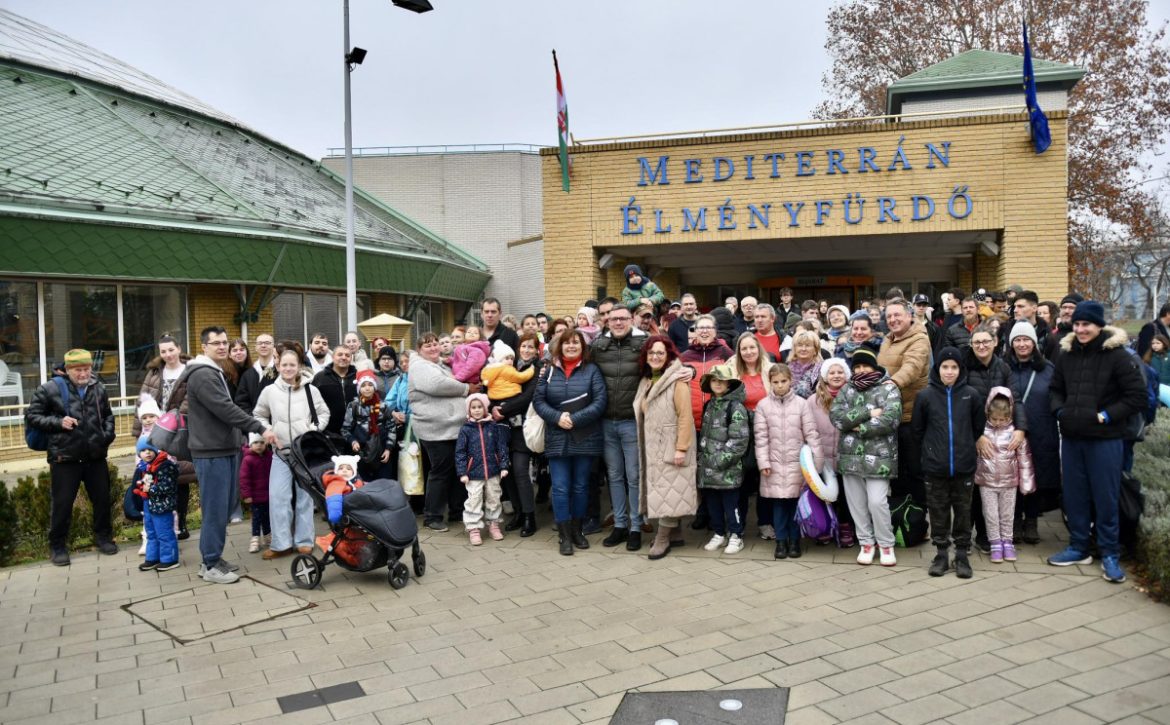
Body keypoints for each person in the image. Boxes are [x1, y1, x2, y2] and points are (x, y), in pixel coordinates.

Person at [1047, 301, 1148, 583]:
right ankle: (1079, 546)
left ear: (1099, 326)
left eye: (1086, 325)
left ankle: (1110, 553)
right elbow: (1055, 389)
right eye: (1077, 324)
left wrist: (1106, 415)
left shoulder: (1118, 356)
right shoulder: (1066, 354)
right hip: (1073, 438)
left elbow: (1137, 396)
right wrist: (1060, 412)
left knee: (1106, 497)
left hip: (1105, 440)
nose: (1080, 329)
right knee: (1074, 495)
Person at [181, 327, 277, 584]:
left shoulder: (214, 371)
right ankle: (210, 564)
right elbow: (225, 409)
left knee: (222, 509)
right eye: (216, 344)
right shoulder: (203, 375)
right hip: (211, 452)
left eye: (224, 342)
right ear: (204, 346)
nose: (222, 347)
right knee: (214, 509)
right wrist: (259, 427)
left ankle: (212, 559)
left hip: (222, 448)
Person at [25, 349, 118, 566]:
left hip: (95, 456)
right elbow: (32, 416)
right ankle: (57, 546)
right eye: (78, 370)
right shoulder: (50, 389)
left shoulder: (99, 387)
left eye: (86, 369)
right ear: (67, 370)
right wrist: (58, 423)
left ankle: (103, 538)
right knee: (63, 505)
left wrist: (106, 436)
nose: (84, 373)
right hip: (65, 458)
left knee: (102, 501)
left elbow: (108, 415)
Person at [912, 347, 984, 579]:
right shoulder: (925, 396)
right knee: (938, 511)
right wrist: (932, 451)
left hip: (963, 466)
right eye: (945, 367)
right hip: (935, 467)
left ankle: (961, 554)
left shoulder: (971, 395)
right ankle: (941, 553)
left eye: (954, 367)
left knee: (963, 511)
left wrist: (964, 449)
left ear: (960, 369)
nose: (949, 372)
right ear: (938, 368)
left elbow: (977, 427)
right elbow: (918, 430)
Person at [534, 329, 607, 556]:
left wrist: (574, 419)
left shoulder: (592, 370)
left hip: (585, 436)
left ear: (583, 347)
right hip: (557, 436)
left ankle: (578, 530)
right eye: (567, 343)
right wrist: (558, 418)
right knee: (561, 487)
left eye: (576, 343)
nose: (572, 346)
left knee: (581, 486)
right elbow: (538, 400)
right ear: (560, 346)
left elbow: (600, 401)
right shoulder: (547, 370)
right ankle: (564, 534)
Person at [253, 348, 330, 560]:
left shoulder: (310, 390)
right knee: (278, 497)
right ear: (278, 366)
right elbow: (258, 415)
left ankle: (304, 541)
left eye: (292, 365)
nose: (288, 368)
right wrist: (267, 430)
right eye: (284, 365)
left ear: (299, 367)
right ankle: (281, 544)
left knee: (305, 498)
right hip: (280, 453)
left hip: (304, 454)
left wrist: (313, 429)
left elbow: (324, 413)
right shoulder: (269, 391)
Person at [831, 347, 901, 567]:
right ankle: (866, 543)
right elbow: (837, 418)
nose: (861, 370)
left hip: (879, 457)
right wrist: (868, 413)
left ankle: (886, 544)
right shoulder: (846, 390)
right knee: (856, 503)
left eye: (865, 366)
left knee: (877, 501)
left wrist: (858, 428)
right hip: (850, 457)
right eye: (857, 367)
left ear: (874, 367)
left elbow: (891, 419)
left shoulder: (888, 389)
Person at [590, 305, 650, 550]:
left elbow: (660, 369)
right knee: (614, 475)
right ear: (606, 321)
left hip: (631, 421)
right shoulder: (597, 346)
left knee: (634, 476)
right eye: (613, 318)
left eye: (623, 318)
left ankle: (636, 526)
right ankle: (620, 524)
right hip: (606, 422)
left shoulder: (644, 343)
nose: (618, 322)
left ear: (631, 319)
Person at [634, 335, 697, 560]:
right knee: (668, 490)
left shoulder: (677, 381)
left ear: (669, 355)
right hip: (654, 447)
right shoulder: (647, 380)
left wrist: (681, 448)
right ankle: (676, 533)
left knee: (669, 492)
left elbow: (685, 416)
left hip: (672, 446)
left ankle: (662, 538)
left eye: (661, 353)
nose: (656, 357)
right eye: (651, 353)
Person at [410, 332, 477, 532]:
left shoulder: (441, 364)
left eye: (435, 344)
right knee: (440, 471)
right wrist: (466, 389)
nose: (432, 348)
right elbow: (437, 385)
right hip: (435, 429)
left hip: (452, 428)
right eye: (427, 345)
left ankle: (457, 511)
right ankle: (432, 516)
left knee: (458, 471)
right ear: (419, 350)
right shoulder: (419, 366)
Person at [754, 363, 822, 559]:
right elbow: (761, 437)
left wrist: (816, 464)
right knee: (778, 505)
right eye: (776, 382)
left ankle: (795, 541)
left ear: (791, 380)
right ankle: (780, 541)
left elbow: (811, 434)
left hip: (796, 464)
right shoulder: (763, 406)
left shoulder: (801, 404)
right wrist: (764, 463)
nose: (780, 385)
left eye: (784, 381)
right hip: (774, 465)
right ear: (770, 382)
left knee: (795, 505)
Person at [1005, 321, 1059, 543]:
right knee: (1012, 477)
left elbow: (1056, 396)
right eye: (1017, 340)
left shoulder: (1048, 369)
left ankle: (1032, 521)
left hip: (1041, 430)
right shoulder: (1004, 367)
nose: (1022, 344)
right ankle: (1015, 520)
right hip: (1011, 432)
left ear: (1034, 343)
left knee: (1035, 477)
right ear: (1011, 344)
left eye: (1026, 339)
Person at [878, 299, 931, 505]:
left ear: (909, 316)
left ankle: (920, 519)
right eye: (889, 316)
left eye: (897, 315)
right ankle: (901, 519)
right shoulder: (887, 339)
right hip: (890, 416)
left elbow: (912, 367)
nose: (893, 319)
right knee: (896, 472)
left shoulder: (919, 339)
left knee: (915, 471)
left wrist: (891, 384)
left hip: (911, 416)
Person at [975, 388, 1035, 564]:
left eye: (1003, 419)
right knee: (991, 514)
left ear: (1009, 415)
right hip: (987, 482)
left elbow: (1025, 459)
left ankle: (1007, 543)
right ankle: (995, 543)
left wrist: (1026, 484)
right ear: (988, 413)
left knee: (1007, 514)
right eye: (994, 419)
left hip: (1009, 483)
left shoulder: (1016, 434)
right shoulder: (981, 433)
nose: (999, 422)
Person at [696, 363, 751, 555]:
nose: (718, 384)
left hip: (727, 470)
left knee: (731, 505)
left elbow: (739, 441)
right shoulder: (708, 405)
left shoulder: (736, 408)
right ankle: (719, 533)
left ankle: (736, 535)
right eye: (714, 380)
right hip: (708, 469)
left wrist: (718, 461)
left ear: (729, 384)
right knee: (712, 504)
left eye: (722, 381)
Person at [492, 332, 543, 536]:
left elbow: (527, 396)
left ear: (537, 349)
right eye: (523, 346)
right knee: (508, 472)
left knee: (521, 470)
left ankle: (530, 516)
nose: (527, 350)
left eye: (531, 347)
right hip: (504, 427)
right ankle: (519, 512)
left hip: (524, 427)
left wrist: (502, 409)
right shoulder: (509, 366)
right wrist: (495, 408)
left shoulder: (537, 369)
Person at [810, 358, 855, 547]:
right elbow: (809, 427)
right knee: (824, 495)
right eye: (832, 372)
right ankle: (825, 526)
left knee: (845, 495)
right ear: (825, 376)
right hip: (823, 456)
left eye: (840, 372)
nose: (836, 375)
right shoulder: (814, 400)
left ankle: (845, 526)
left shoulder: (853, 396)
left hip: (846, 456)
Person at [456, 393, 510, 545]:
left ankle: (494, 524)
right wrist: (462, 472)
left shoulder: (493, 426)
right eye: (473, 407)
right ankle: (473, 528)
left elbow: (501, 447)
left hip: (493, 471)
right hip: (473, 473)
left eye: (480, 407)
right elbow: (460, 452)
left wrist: (504, 465)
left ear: (485, 408)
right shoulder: (465, 429)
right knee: (474, 500)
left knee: (494, 498)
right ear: (469, 410)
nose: (477, 410)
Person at [132, 439, 180, 572]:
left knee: (164, 532)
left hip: (162, 505)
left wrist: (151, 489)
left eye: (150, 449)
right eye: (142, 450)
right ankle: (153, 557)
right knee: (151, 533)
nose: (147, 453)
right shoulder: (144, 467)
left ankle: (169, 559)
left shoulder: (165, 466)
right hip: (148, 504)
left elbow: (168, 486)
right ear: (139, 454)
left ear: (155, 450)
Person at [342, 369, 396, 480]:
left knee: (383, 482)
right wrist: (353, 441)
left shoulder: (383, 406)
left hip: (381, 451)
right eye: (363, 385)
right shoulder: (354, 406)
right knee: (364, 483)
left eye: (370, 385)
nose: (367, 388)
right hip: (361, 452)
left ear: (375, 387)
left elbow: (392, 428)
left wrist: (388, 448)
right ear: (359, 389)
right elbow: (345, 429)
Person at [239, 432, 272, 553]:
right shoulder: (248, 459)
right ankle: (255, 539)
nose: (259, 445)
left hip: (268, 495)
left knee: (267, 518)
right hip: (255, 496)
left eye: (262, 442)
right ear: (251, 444)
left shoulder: (269, 457)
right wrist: (246, 495)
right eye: (256, 442)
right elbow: (244, 479)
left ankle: (268, 537)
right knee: (257, 519)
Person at [311, 346, 356, 436]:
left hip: (354, 435)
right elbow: (312, 405)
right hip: (328, 434)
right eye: (340, 355)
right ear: (332, 357)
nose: (343, 357)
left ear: (351, 358)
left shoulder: (358, 377)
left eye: (347, 355)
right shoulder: (320, 378)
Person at [235, 333, 277, 414]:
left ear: (273, 347)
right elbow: (241, 402)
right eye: (260, 343)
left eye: (267, 343)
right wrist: (253, 421)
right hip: (253, 423)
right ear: (256, 348)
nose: (263, 345)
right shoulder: (248, 375)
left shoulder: (281, 371)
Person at [787, 330, 822, 399]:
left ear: (815, 350)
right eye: (800, 345)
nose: (803, 349)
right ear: (794, 348)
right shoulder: (786, 369)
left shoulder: (821, 370)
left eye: (808, 345)